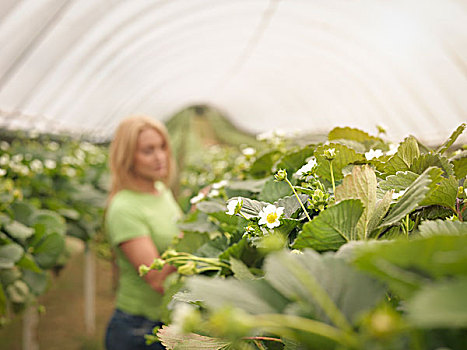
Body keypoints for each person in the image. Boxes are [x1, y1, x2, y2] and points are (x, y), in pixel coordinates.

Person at [104, 115, 181, 350]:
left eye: (162, 147)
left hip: (167, 321)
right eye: (148, 151)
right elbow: (157, 279)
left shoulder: (160, 191)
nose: (160, 157)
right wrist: (192, 230)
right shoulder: (124, 208)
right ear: (128, 158)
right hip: (139, 328)